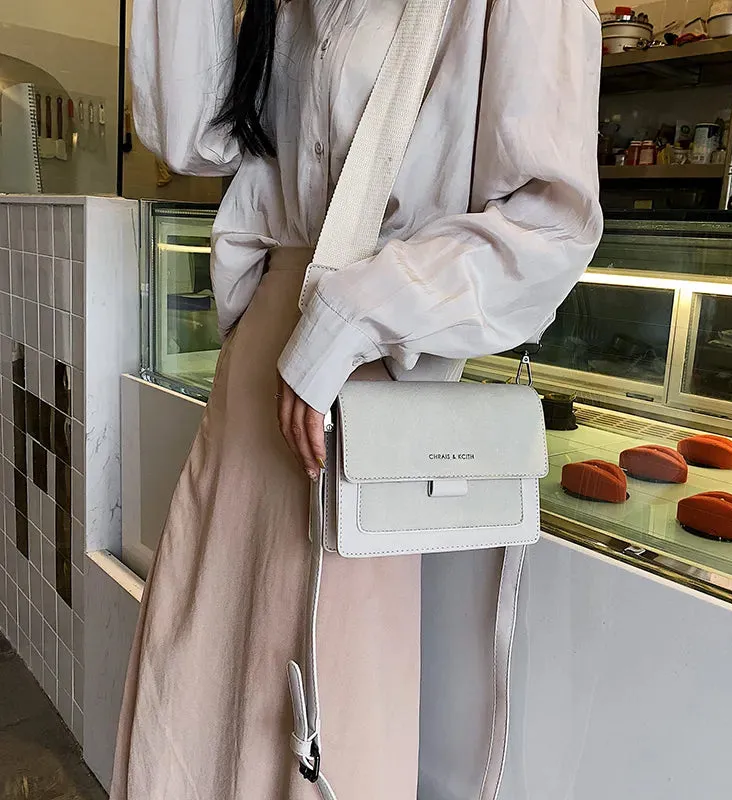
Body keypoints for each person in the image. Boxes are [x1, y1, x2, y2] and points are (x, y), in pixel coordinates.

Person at [112, 1, 603, 798]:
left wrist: (347, 319)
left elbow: (552, 226)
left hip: (370, 381)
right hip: (262, 364)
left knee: (326, 702)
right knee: (202, 664)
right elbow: (191, 137)